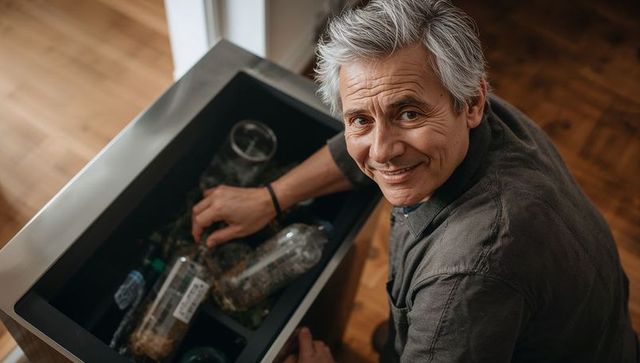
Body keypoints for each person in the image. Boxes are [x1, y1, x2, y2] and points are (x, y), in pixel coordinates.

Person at [192, 0, 638, 362]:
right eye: (360, 120)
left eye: (408, 113)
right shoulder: (457, 105)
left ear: (473, 101)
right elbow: (368, 141)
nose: (382, 149)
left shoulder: (466, 277)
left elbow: (463, 290)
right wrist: (272, 197)